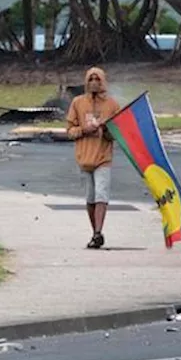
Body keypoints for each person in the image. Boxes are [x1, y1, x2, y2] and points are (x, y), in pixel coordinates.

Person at [65, 67, 122, 249]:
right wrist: (83, 130)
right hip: (84, 157)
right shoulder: (78, 103)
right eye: (91, 79)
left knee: (101, 195)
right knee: (90, 198)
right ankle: (95, 233)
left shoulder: (112, 105)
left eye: (97, 79)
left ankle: (98, 231)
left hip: (103, 157)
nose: (94, 83)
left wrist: (106, 131)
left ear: (103, 81)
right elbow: (70, 131)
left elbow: (119, 133)